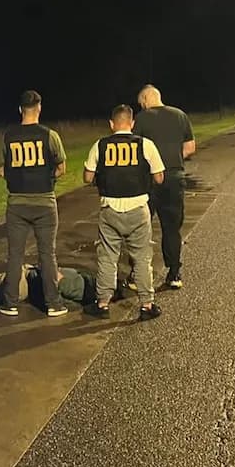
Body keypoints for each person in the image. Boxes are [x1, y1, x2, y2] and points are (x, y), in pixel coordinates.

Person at [83, 104, 165, 320]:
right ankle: (147, 305)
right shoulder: (145, 144)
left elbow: (87, 177)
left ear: (111, 124)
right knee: (141, 258)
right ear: (132, 124)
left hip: (110, 209)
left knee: (108, 257)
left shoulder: (100, 145)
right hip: (138, 208)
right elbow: (159, 177)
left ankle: (102, 303)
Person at [0, 90, 68, 317]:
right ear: (39, 108)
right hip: (44, 203)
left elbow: (2, 169)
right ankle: (53, 304)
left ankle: (10, 303)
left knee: (15, 255)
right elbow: (61, 167)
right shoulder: (50, 135)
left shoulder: (8, 136)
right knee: (47, 254)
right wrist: (47, 179)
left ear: (20, 109)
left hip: (17, 203)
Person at [132, 85, 195, 289]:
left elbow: (135, 149)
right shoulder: (180, 115)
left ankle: (137, 274)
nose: (141, 106)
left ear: (145, 99)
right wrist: (173, 158)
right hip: (174, 178)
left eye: (141, 103)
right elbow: (190, 147)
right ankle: (174, 273)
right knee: (171, 228)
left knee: (142, 228)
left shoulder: (142, 119)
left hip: (148, 181)